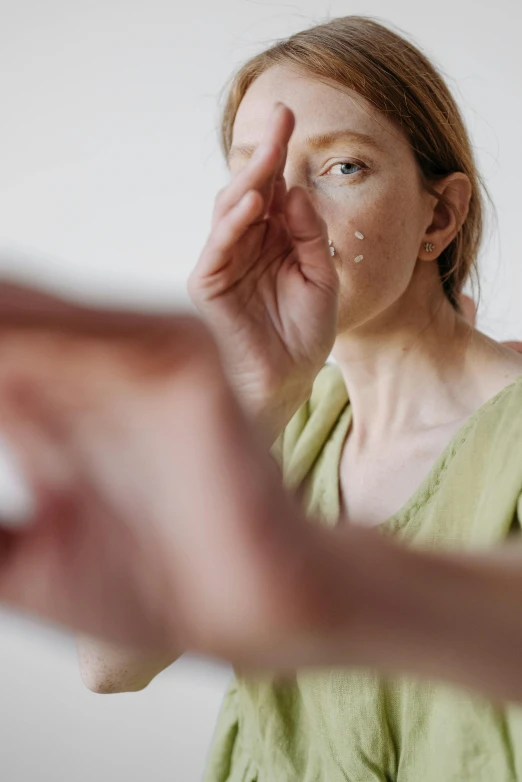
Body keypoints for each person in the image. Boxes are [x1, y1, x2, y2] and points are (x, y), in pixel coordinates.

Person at [75, 14, 522, 782]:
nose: (284, 211)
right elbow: (110, 664)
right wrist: (261, 392)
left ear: (438, 218)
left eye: (342, 167)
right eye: (254, 172)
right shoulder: (282, 427)